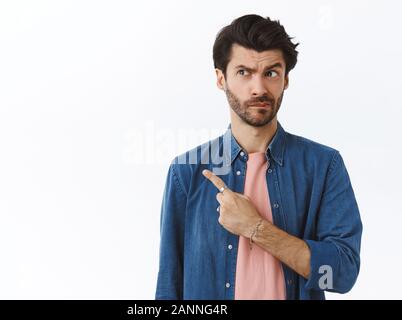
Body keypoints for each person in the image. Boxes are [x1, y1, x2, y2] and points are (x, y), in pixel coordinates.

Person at [155, 14, 362, 300]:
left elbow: (341, 274)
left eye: (271, 73)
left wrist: (255, 228)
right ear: (220, 78)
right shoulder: (186, 172)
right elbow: (169, 287)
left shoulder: (323, 166)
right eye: (244, 72)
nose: (259, 88)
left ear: (285, 80)